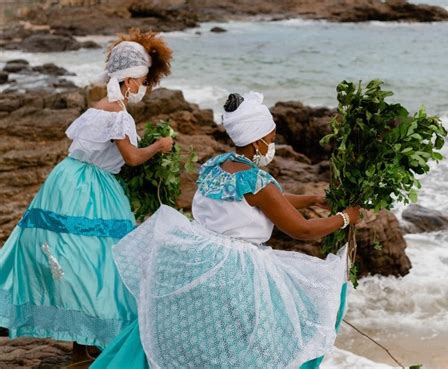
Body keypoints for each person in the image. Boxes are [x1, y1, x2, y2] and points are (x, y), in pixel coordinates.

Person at [92, 91, 361, 369]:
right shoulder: (257, 181)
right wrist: (345, 218)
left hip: (202, 257)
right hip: (235, 270)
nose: (273, 142)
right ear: (257, 142)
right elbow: (302, 230)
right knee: (257, 340)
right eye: (271, 137)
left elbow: (262, 202)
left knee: (193, 333)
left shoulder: (217, 166)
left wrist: (311, 199)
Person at [0, 29, 173, 364]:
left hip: (66, 180)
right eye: (141, 81)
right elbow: (132, 158)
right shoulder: (118, 115)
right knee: (100, 262)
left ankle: (83, 342)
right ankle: (88, 340)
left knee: (76, 260)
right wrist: (160, 146)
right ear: (129, 79)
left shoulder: (99, 107)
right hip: (91, 189)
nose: (143, 88)